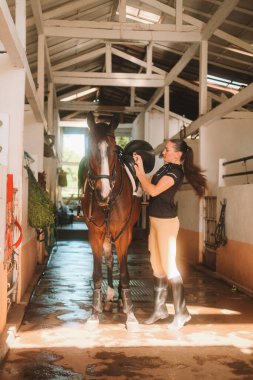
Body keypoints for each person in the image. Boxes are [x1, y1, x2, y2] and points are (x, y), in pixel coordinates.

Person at [133, 139, 207, 330]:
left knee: (170, 267)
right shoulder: (164, 168)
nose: (163, 151)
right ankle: (159, 310)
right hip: (155, 221)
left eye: (167, 149)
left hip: (167, 224)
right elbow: (149, 185)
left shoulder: (175, 172)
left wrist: (140, 170)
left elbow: (152, 190)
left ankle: (182, 313)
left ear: (178, 154)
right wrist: (141, 173)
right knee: (157, 266)